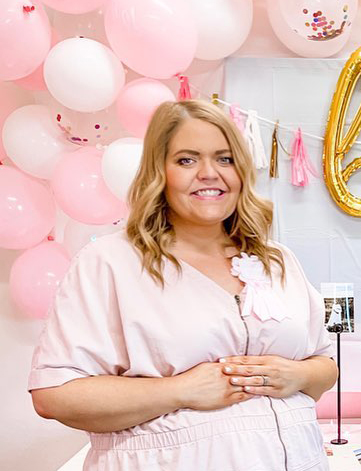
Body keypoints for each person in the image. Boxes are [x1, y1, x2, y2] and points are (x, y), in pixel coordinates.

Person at [28, 100, 338, 471]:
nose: (210, 173)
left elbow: (325, 365)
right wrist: (179, 390)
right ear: (160, 171)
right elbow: (54, 396)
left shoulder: (277, 260)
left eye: (224, 159)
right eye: (187, 160)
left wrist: (298, 375)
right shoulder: (111, 263)